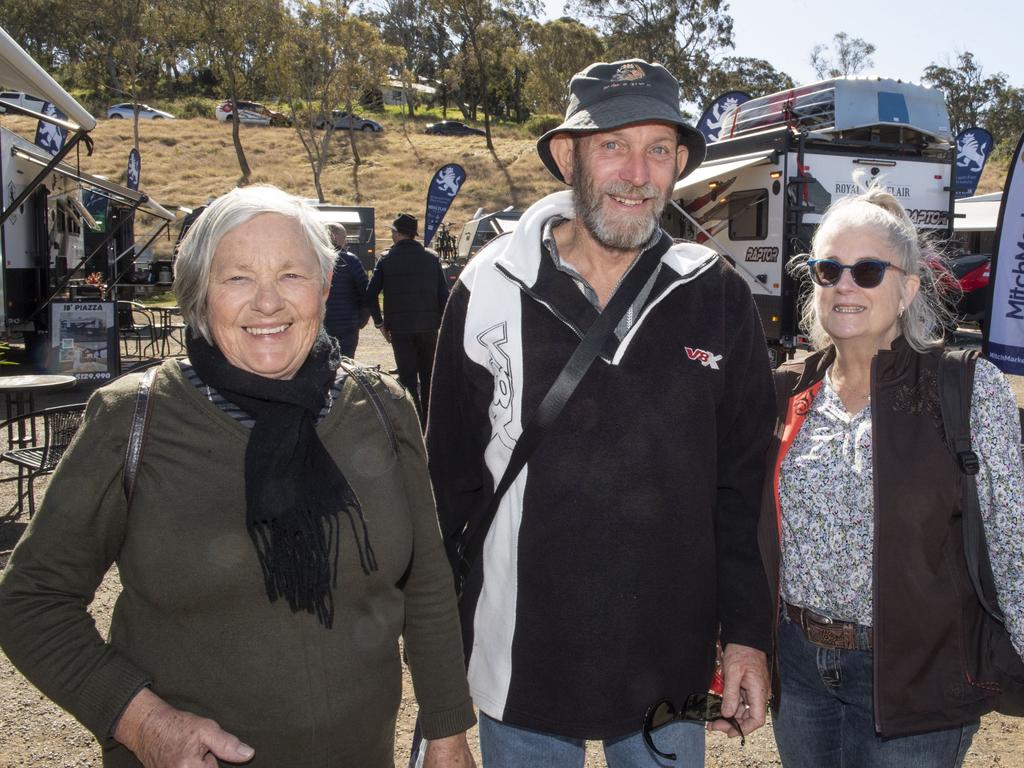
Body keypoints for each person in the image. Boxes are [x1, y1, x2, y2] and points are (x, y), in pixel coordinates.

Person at [0, 186, 476, 768]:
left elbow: (425, 579)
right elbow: (31, 601)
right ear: (199, 295)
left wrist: (448, 732)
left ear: (325, 290)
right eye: (237, 279)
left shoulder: (380, 407)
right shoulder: (133, 419)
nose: (268, 304)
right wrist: (144, 723)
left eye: (292, 275)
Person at [426, 59, 776, 766]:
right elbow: (444, 494)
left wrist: (747, 634)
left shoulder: (718, 295)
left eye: (658, 150)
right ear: (567, 156)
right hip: (518, 664)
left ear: (678, 164)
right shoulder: (489, 287)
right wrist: (438, 688)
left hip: (669, 675)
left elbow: (740, 492)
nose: (636, 173)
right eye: (613, 145)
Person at [759, 185, 1024, 767]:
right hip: (801, 675)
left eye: (869, 270)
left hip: (920, 675)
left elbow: (1013, 541)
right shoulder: (786, 390)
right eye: (828, 269)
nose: (845, 285)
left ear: (907, 289)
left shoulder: (965, 388)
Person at [366, 213, 449, 426]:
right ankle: (431, 425)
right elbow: (444, 296)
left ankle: (414, 423)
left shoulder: (386, 259)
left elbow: (370, 293)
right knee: (429, 377)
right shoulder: (431, 258)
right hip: (429, 328)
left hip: (400, 329)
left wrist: (379, 323)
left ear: (396, 233)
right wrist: (439, 322)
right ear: (414, 235)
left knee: (408, 378)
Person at [324, 223, 369, 357]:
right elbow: (366, 292)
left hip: (320, 325)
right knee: (346, 366)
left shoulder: (313, 260)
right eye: (345, 237)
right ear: (338, 238)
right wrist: (361, 320)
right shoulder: (351, 260)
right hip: (347, 326)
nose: (346, 241)